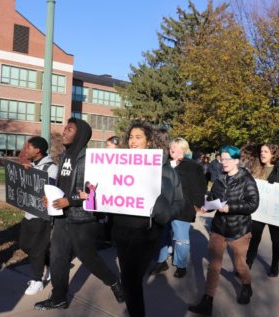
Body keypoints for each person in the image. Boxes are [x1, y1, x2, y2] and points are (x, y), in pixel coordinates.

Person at [34, 118, 123, 311]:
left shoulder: (90, 159)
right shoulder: (64, 156)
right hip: (61, 216)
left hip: (82, 218)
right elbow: (62, 185)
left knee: (88, 257)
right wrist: (51, 197)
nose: (64, 132)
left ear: (80, 134)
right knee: (57, 257)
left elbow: (92, 190)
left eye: (69, 129)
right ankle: (59, 298)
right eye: (65, 128)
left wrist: (71, 200)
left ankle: (114, 282)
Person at [112, 122, 184, 317]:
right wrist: (93, 195)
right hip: (121, 231)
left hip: (146, 233)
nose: (133, 141)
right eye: (130, 137)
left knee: (131, 279)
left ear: (149, 141)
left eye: (138, 137)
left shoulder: (165, 169)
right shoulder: (118, 165)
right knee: (128, 279)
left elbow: (179, 202)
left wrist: (164, 213)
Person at [189, 145, 259, 316]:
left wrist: (231, 208)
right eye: (222, 158)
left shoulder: (247, 179)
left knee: (240, 265)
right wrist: (207, 207)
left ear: (236, 160)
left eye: (227, 159)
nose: (223, 162)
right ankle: (207, 300)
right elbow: (214, 199)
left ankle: (246, 285)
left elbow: (253, 204)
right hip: (219, 228)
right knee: (214, 266)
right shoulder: (219, 179)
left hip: (239, 230)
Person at [150, 138, 206, 279]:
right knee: (162, 235)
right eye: (171, 146)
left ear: (183, 148)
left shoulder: (193, 166)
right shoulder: (164, 164)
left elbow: (200, 187)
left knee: (181, 239)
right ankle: (162, 261)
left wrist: (197, 205)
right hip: (164, 207)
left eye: (175, 146)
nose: (171, 148)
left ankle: (181, 265)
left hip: (183, 208)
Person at [17, 136, 58, 295]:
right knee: (24, 245)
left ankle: (37, 280)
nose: (25, 150)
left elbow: (50, 190)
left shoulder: (51, 168)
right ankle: (49, 264)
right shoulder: (31, 165)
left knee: (36, 249)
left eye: (28, 147)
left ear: (38, 150)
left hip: (42, 216)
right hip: (29, 214)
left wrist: (31, 173)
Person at [246, 143, 279, 277]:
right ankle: (247, 265)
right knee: (254, 239)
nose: (262, 154)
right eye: (261, 151)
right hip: (259, 210)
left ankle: (275, 265)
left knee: (276, 240)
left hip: (275, 212)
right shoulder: (256, 168)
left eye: (265, 151)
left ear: (273, 154)